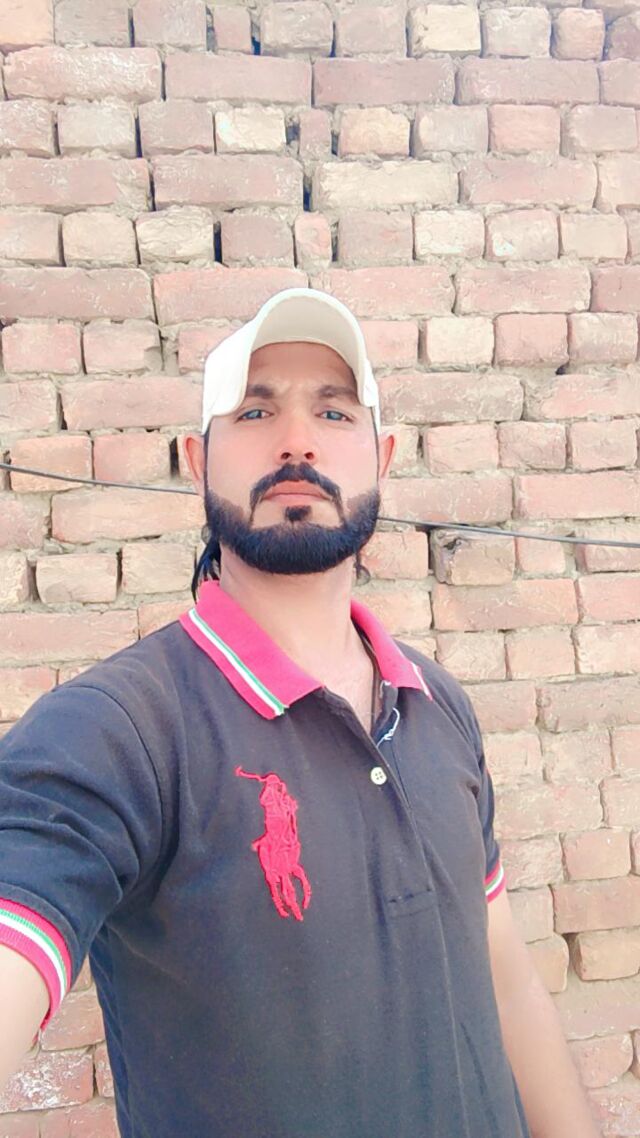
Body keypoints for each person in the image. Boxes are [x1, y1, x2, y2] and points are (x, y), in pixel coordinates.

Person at [0, 288, 599, 1138]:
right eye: (254, 411)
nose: (297, 441)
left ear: (381, 458)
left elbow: (507, 984)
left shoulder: (439, 706)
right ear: (197, 462)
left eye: (333, 411)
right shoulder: (115, 731)